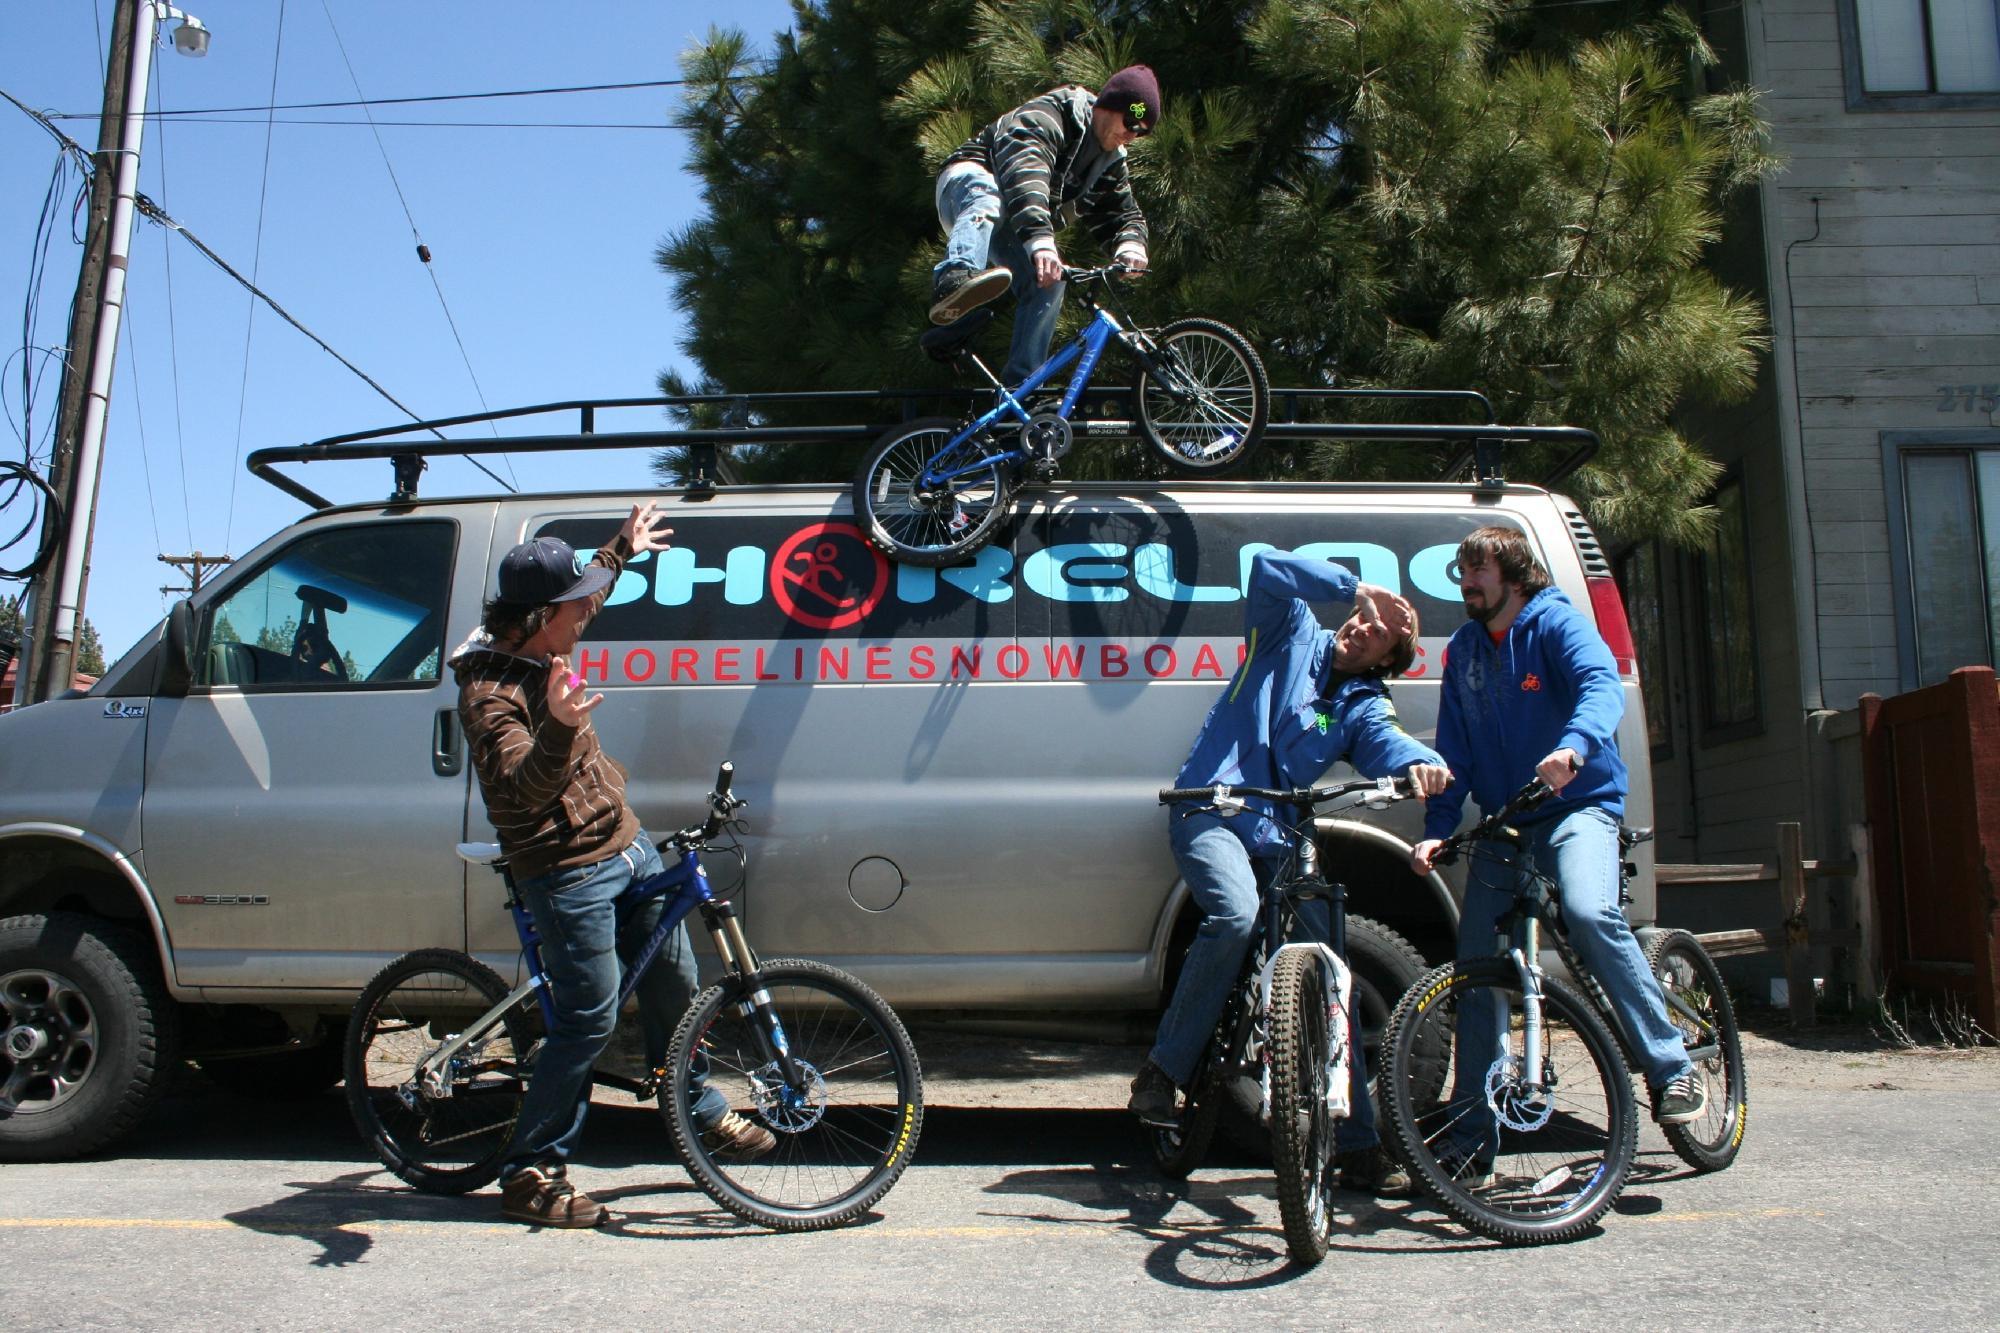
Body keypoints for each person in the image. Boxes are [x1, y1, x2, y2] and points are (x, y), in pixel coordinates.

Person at [451, 503, 774, 1228]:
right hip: (564, 871)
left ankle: (697, 1108)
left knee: (677, 985)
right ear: (536, 619)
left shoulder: (549, 625)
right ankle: (529, 1170)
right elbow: (522, 787)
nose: (584, 617)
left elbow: (591, 588)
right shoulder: (487, 693)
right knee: (589, 1019)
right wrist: (561, 728)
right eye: (568, 610)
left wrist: (622, 546)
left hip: (624, 844)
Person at [1131, 549, 1451, 1195]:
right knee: (1235, 913)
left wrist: (1423, 762)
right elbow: (1268, 567)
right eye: (1365, 620)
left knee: (1330, 975)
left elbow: (1389, 743)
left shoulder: (1363, 702)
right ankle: (1163, 1071)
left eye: (1379, 635)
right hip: (1211, 810)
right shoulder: (1290, 629)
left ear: (1384, 662)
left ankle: (1358, 1145)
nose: (1363, 629)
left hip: (1280, 833)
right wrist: (1357, 587)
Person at [1408, 526, 1703, 1176]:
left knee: (1592, 913)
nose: (1465, 584)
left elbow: (1602, 687)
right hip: (1507, 820)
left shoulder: (1556, 625)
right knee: (1476, 963)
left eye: (1477, 572)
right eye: (1462, 572)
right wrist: (1437, 825)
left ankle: (1671, 1068)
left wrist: (1573, 747)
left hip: (1577, 806)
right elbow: (1452, 752)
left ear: (1514, 576)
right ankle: (1470, 1135)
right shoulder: (1463, 651)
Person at [926, 64, 1158, 386]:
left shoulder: (1110, 163)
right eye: (1131, 123)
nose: (1131, 135)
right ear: (1109, 106)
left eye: (1142, 132)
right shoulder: (1052, 115)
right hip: (966, 183)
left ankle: (1021, 387)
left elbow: (1123, 213)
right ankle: (955, 274)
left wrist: (1130, 246)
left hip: (1012, 222)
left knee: (1051, 281)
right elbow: (1026, 175)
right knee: (989, 197)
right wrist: (1040, 241)